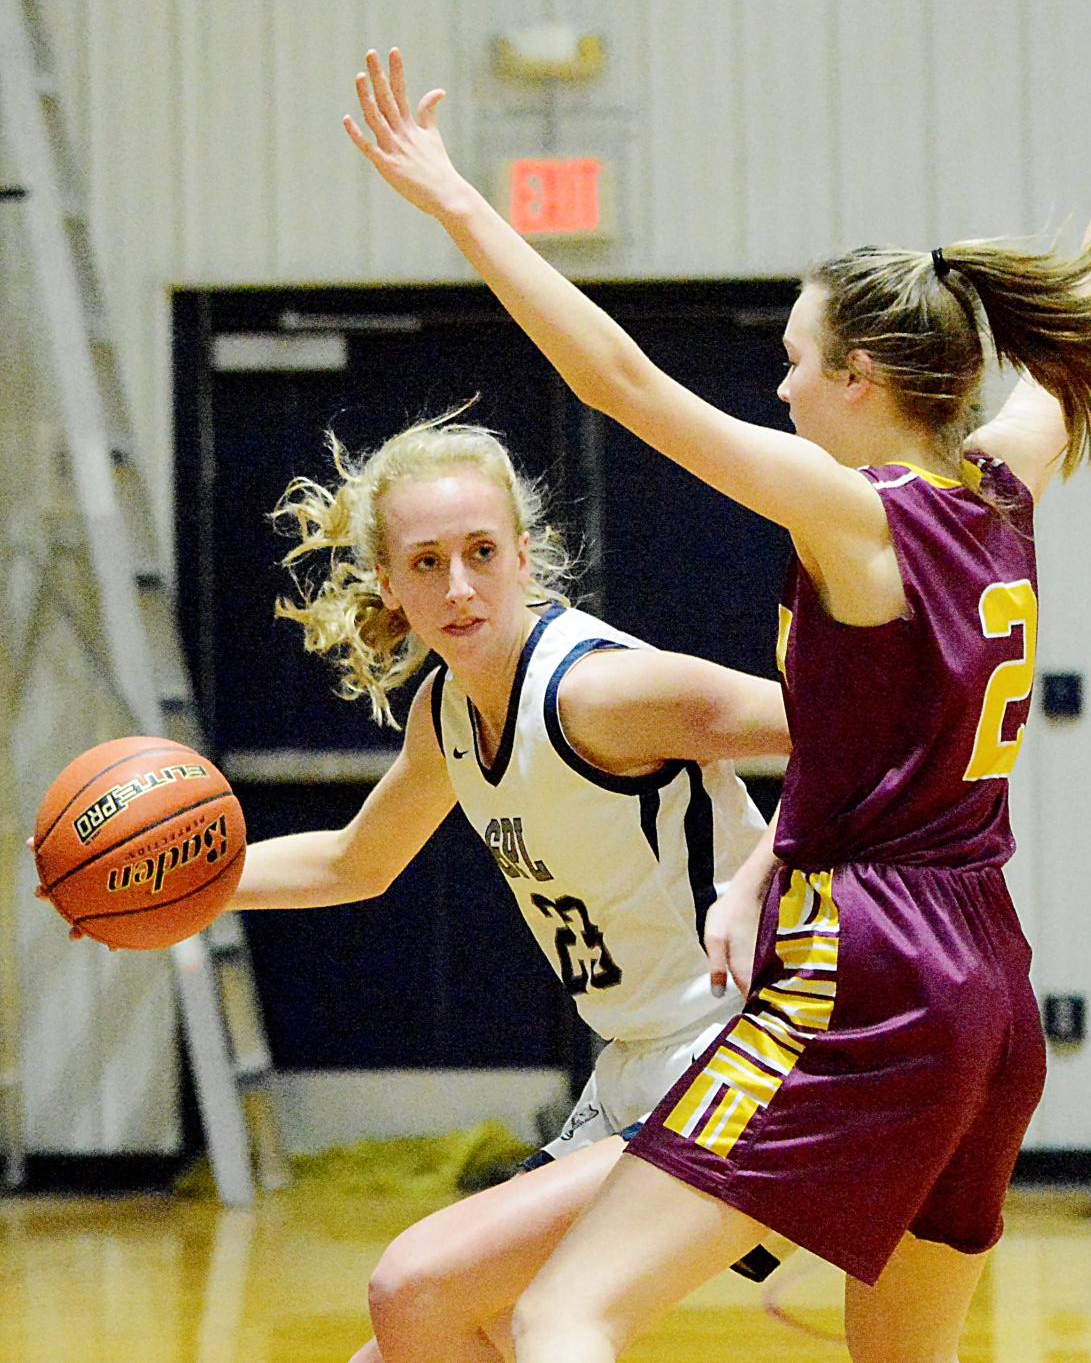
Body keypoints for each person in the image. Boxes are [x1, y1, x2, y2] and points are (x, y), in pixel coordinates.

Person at [343, 0, 1091, 1363]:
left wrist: (458, 205)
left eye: (797, 362)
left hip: (861, 965)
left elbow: (620, 382)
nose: (782, 388)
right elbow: (1080, 316)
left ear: (862, 375)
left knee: (569, 1309)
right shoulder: (999, 482)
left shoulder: (854, 515)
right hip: (984, 971)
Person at [222, 410, 791, 1363]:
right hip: (644, 1060)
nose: (458, 585)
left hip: (756, 1048)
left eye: (482, 551)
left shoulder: (597, 693)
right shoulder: (447, 711)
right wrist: (176, 890)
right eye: (426, 562)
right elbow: (354, 861)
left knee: (423, 1290)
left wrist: (759, 876)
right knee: (411, 1339)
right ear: (392, 587)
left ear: (525, 557)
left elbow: (859, 730)